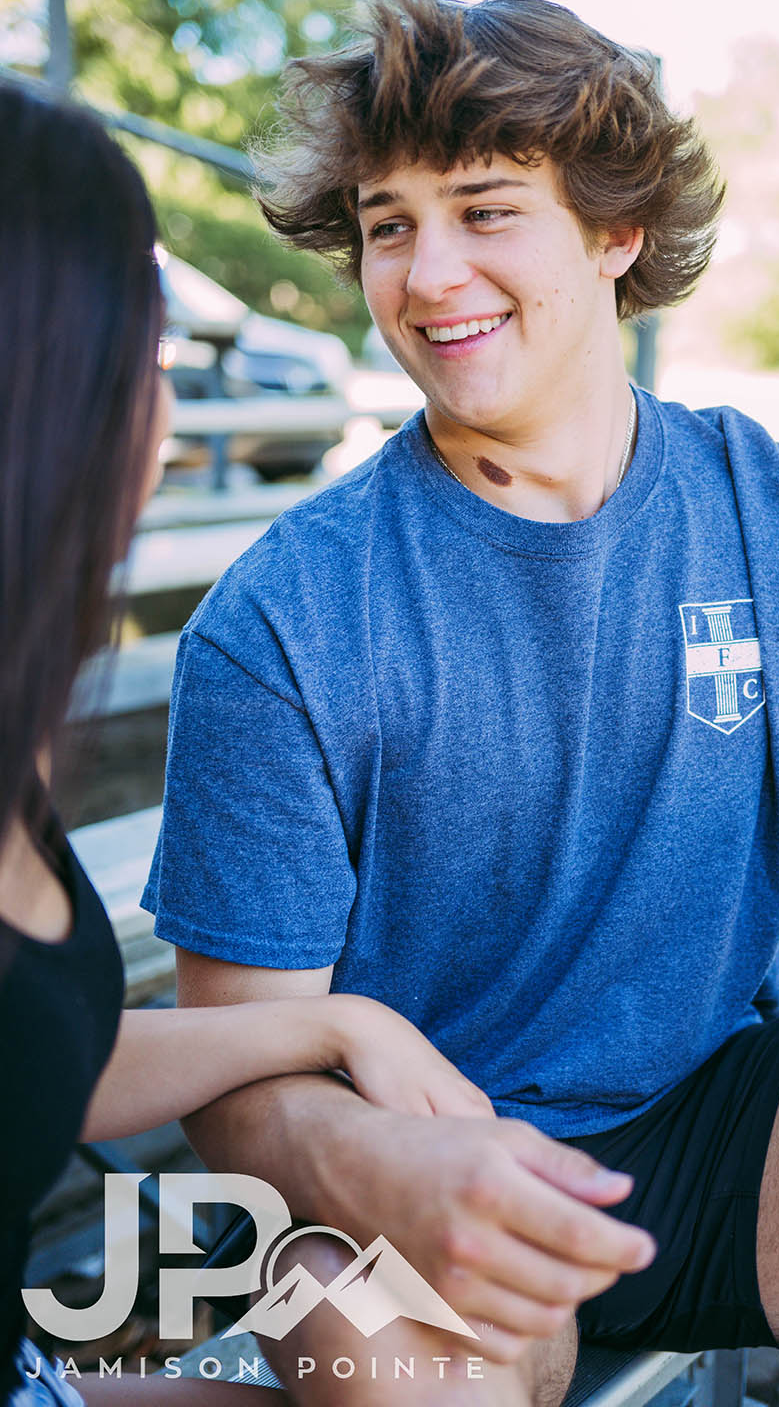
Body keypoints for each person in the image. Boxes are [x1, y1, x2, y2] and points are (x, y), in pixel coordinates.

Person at [142, 0, 779, 1406]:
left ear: (619, 233)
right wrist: (402, 1176)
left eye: (486, 210)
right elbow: (247, 1082)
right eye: (388, 226)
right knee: (398, 1356)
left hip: (727, 1131)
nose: (428, 276)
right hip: (408, 1176)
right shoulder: (282, 622)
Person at [0, 80, 503, 1407]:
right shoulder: (282, 617)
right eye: (149, 367)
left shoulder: (13, 726)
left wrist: (334, 1021)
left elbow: (46, 1053)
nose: (164, 428)